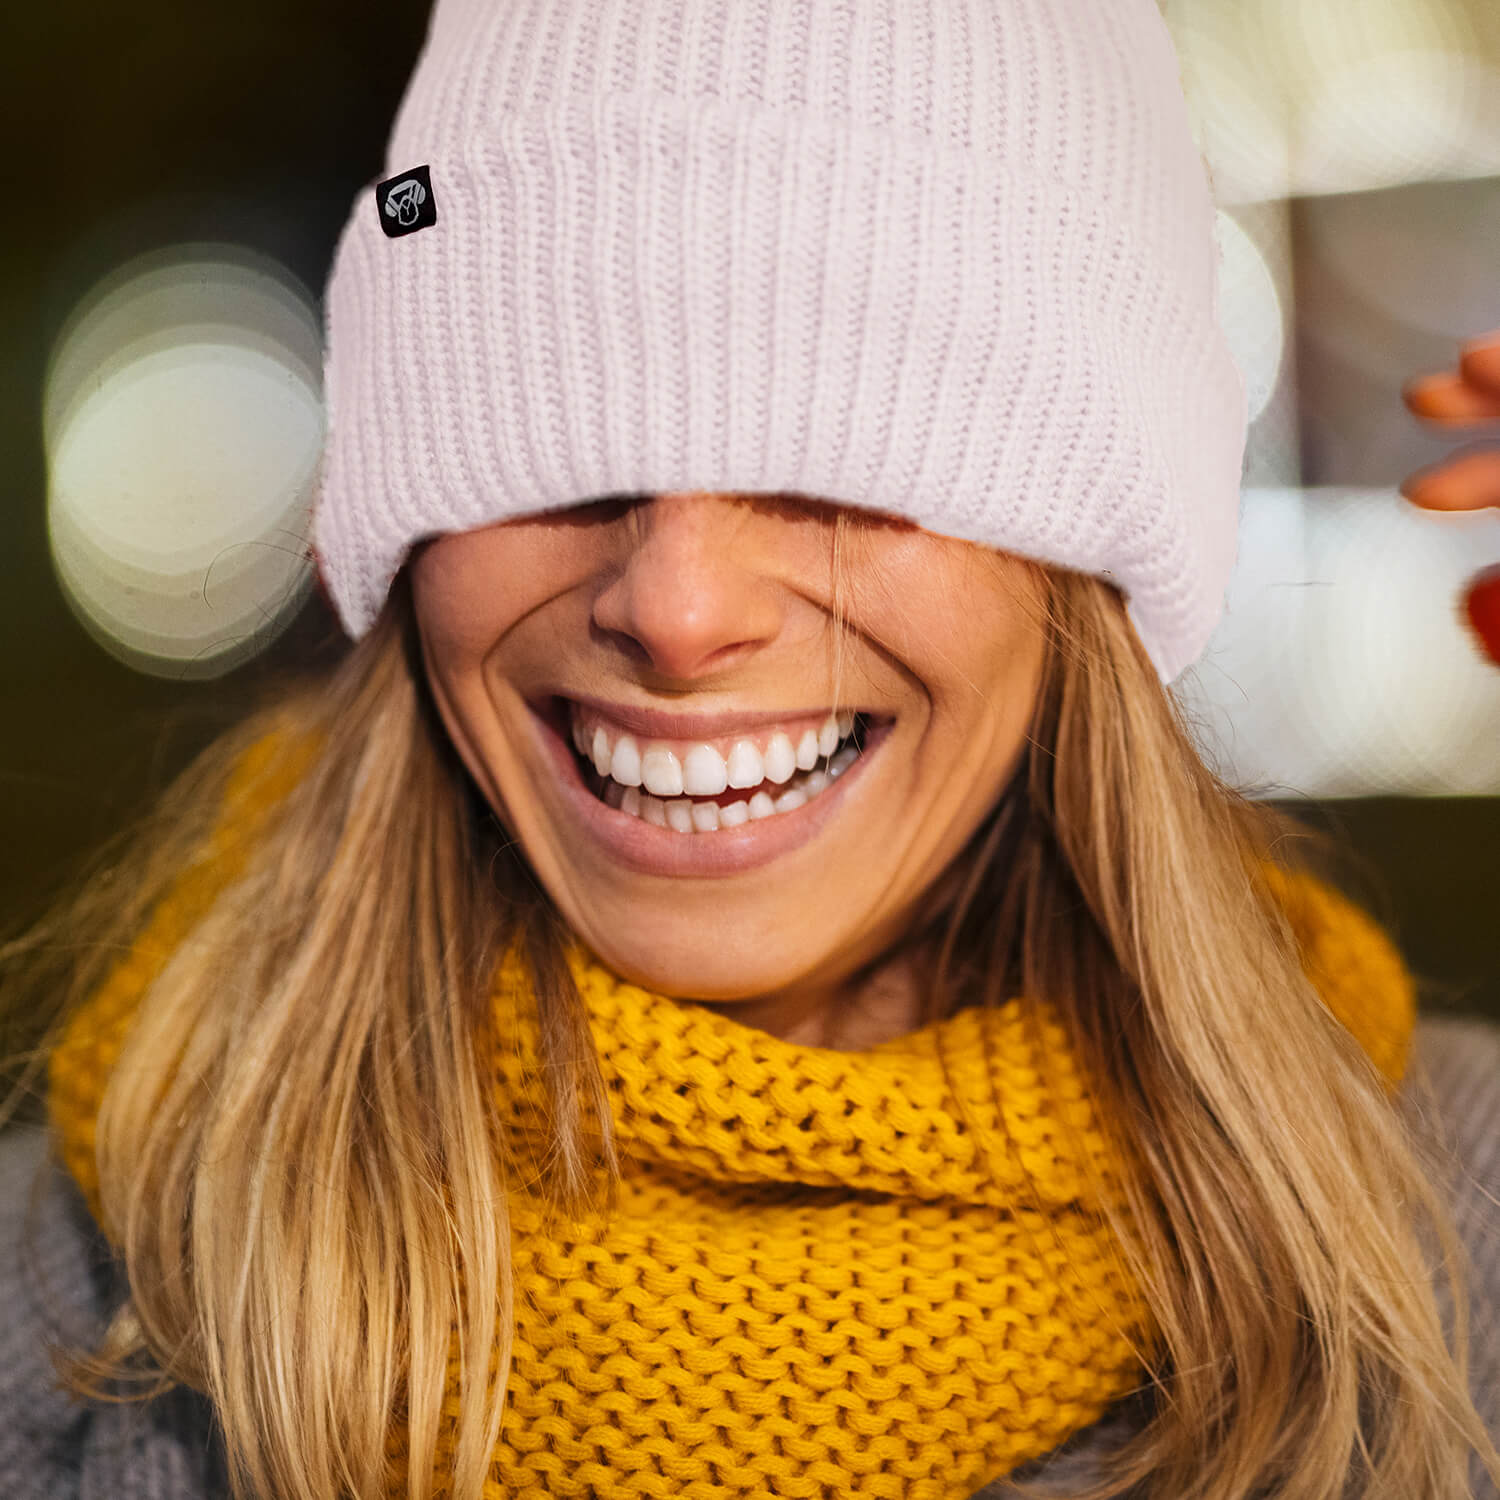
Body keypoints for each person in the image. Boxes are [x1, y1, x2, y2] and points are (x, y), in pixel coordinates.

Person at [4, 1, 1500, 1497]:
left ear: (1083, 566)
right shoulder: (82, 1293)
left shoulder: (1452, 1240)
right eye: (547, 430)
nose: (677, 604)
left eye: (841, 453)